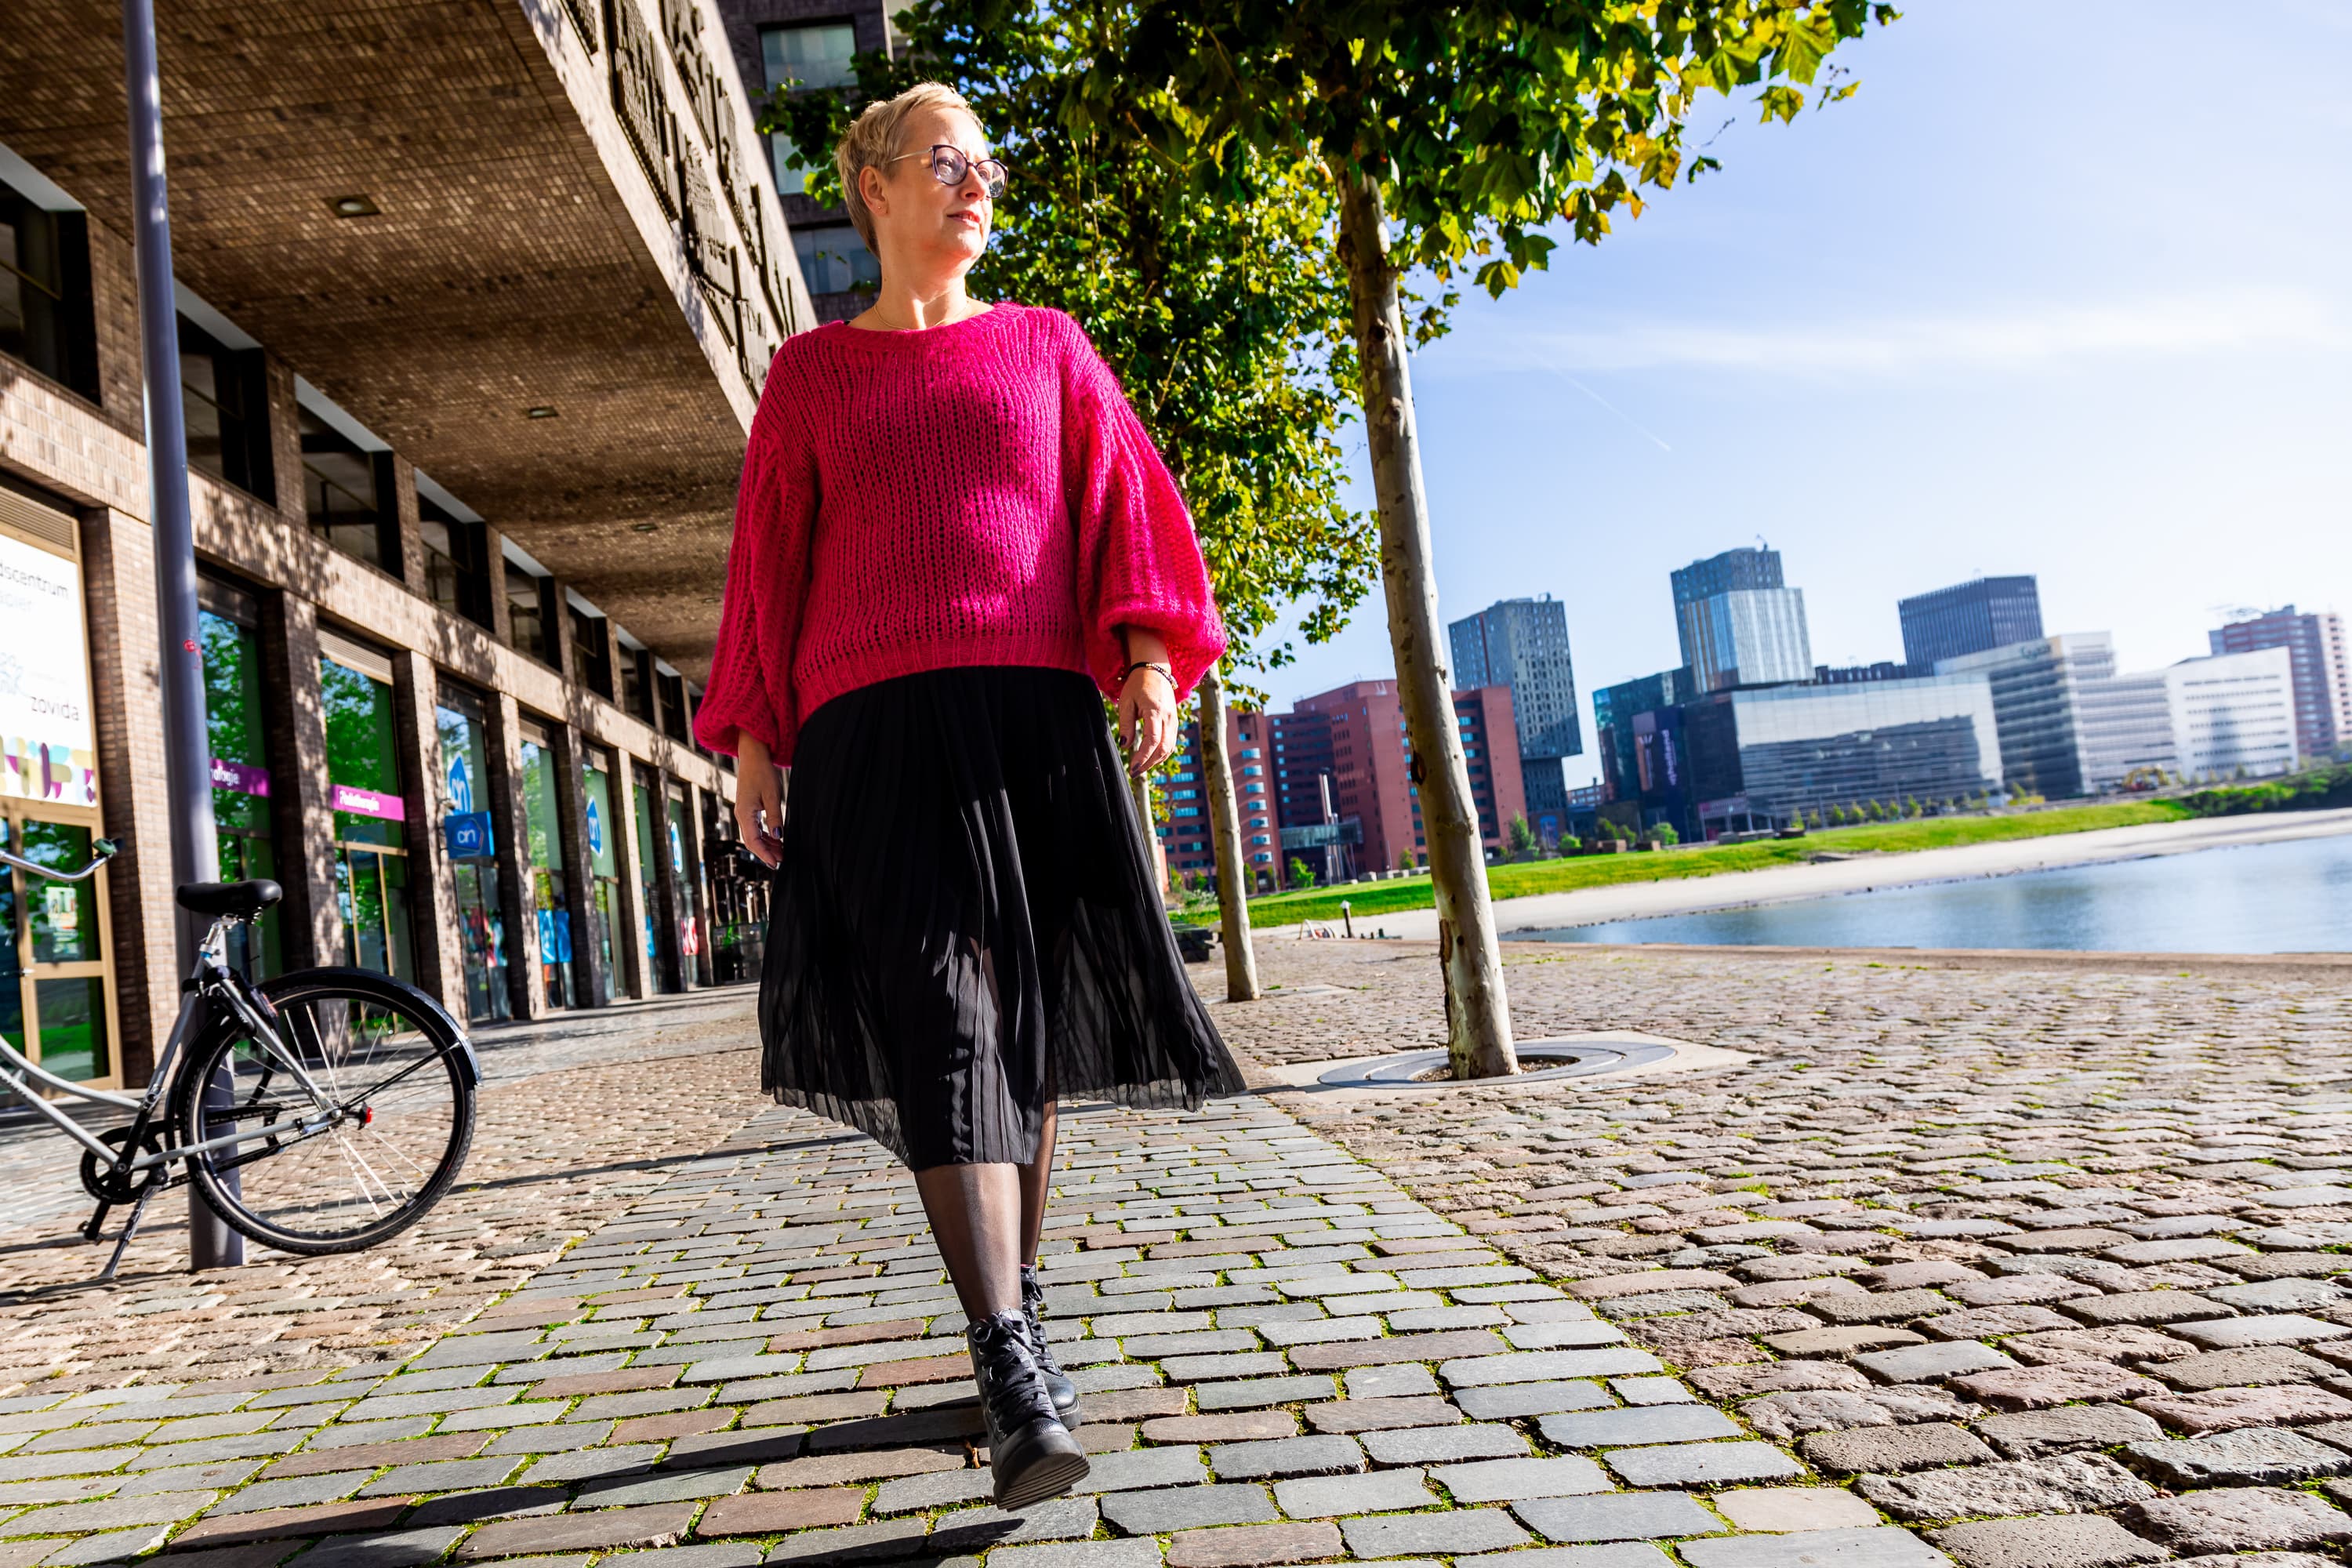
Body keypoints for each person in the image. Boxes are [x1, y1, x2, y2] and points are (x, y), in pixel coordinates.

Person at [691, 82, 1247, 1509]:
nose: (975, 183)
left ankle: (1016, 1334)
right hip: (875, 739)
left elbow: (1127, 498)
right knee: (945, 1017)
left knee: (1028, 1035)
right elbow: (769, 563)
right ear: (870, 185)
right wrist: (756, 736)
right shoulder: (812, 375)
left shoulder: (1049, 348)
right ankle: (1009, 1355)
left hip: (1036, 723)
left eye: (985, 164)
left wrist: (1146, 657)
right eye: (945, 161)